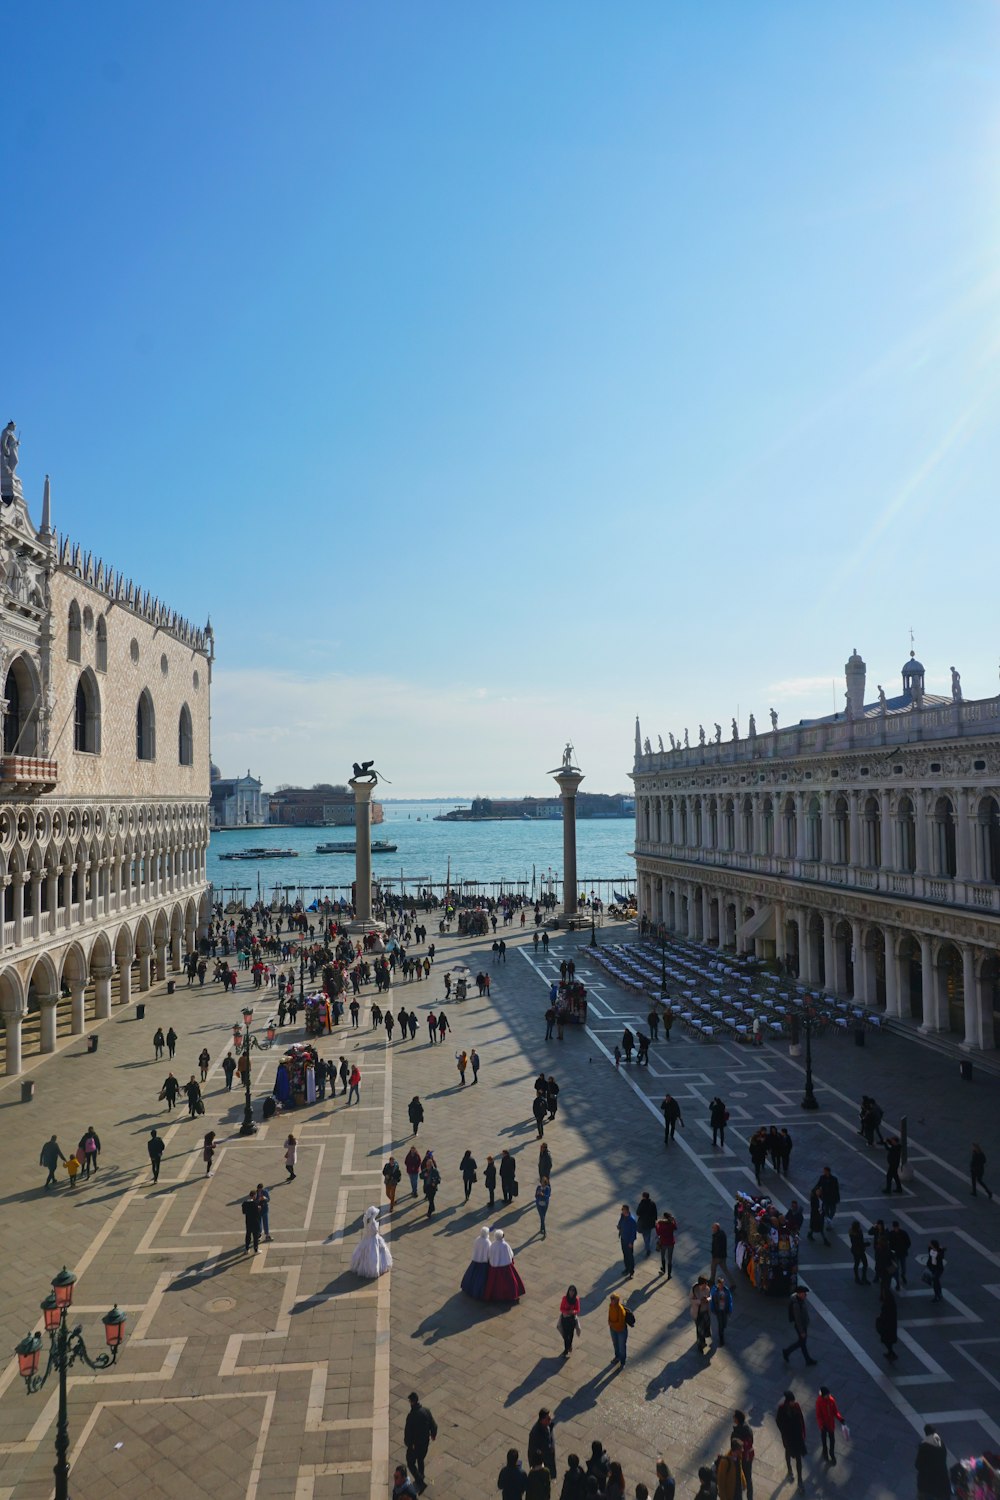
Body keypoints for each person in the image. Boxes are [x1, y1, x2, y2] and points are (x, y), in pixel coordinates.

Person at [404, 1392, 437, 1493]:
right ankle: (421, 1475)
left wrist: (408, 1444)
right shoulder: (426, 1411)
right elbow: (434, 1425)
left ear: (411, 1402)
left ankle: (419, 1480)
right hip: (425, 1443)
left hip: (415, 1445)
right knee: (420, 1459)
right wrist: (433, 1435)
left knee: (410, 1462)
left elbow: (408, 1433)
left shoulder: (411, 1416)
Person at [775, 1390, 807, 1491]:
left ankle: (800, 1480)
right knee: (788, 1453)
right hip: (788, 1438)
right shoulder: (781, 1409)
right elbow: (778, 1421)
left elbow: (801, 1419)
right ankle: (789, 1470)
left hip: (797, 1437)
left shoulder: (796, 1406)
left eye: (794, 1401)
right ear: (788, 1401)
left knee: (798, 1458)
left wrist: (803, 1432)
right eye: (792, 1401)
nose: (793, 1403)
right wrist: (783, 1433)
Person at [351, 1204, 392, 1278]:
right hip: (374, 1239)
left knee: (364, 1253)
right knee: (376, 1254)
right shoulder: (372, 1222)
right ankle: (378, 1269)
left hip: (367, 1238)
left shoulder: (366, 1221)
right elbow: (375, 1231)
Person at [485, 1229, 526, 1302]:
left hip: (495, 1267)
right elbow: (510, 1254)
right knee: (510, 1282)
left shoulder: (493, 1245)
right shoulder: (505, 1245)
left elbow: (489, 1255)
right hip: (506, 1267)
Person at [782, 1286, 817, 1365]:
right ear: (799, 1294)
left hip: (803, 1325)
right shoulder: (796, 1305)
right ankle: (787, 1352)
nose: (805, 1295)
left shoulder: (800, 1300)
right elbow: (797, 1319)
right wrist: (801, 1331)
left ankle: (787, 1352)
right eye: (804, 1293)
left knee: (802, 1343)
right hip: (800, 1327)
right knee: (802, 1343)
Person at [915, 1425, 951, 1500]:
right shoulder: (941, 1444)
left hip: (927, 1484)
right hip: (941, 1481)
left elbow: (918, 1464)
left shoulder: (924, 1446)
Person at [815, 1385, 845, 1463]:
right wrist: (821, 1425)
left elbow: (835, 1411)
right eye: (827, 1395)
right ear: (823, 1395)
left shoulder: (831, 1400)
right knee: (824, 1440)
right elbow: (818, 1416)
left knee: (832, 1440)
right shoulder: (819, 1402)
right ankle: (825, 1452)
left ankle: (831, 1453)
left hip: (831, 1424)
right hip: (824, 1426)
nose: (829, 1396)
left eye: (829, 1394)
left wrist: (840, 1418)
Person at [461, 1226, 493, 1300]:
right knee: (481, 1278)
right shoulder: (487, 1242)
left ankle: (468, 1287)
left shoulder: (477, 1239)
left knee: (472, 1274)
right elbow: (489, 1253)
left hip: (476, 1259)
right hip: (483, 1262)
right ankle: (478, 1292)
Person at [730, 1413, 754, 1500]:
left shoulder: (737, 1432)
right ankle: (750, 1498)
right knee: (748, 1478)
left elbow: (733, 1446)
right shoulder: (747, 1428)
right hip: (749, 1457)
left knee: (739, 1480)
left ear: (737, 1419)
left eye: (734, 1417)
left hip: (742, 1458)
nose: (733, 1419)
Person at [527, 1410, 556, 1481]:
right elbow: (532, 1448)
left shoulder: (548, 1425)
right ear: (542, 1420)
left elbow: (551, 1435)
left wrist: (551, 1445)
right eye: (548, 1419)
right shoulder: (535, 1432)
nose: (550, 1420)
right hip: (543, 1459)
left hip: (549, 1456)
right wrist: (541, 1453)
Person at [876, 1285, 898, 1361]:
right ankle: (890, 1352)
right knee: (888, 1340)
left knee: (887, 1339)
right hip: (889, 1325)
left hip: (887, 1325)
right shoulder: (890, 1303)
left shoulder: (888, 1304)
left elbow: (886, 1314)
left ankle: (891, 1352)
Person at [690, 1277, 711, 1353]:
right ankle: (700, 1346)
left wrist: (707, 1299)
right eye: (705, 1284)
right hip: (698, 1313)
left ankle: (703, 1341)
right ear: (701, 1284)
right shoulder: (694, 1289)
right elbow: (691, 1300)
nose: (706, 1285)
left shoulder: (707, 1289)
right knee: (699, 1331)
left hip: (705, 1311)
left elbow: (709, 1297)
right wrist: (699, 1301)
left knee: (705, 1327)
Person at [558, 1284, 581, 1357]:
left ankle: (569, 1346)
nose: (571, 1292)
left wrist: (573, 1312)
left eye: (573, 1290)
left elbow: (578, 1309)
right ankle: (566, 1349)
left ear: (575, 1292)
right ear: (568, 1291)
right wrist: (566, 1312)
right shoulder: (565, 1298)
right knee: (565, 1334)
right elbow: (561, 1308)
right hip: (565, 1319)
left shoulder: (576, 1299)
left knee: (571, 1334)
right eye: (570, 1290)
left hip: (571, 1319)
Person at [710, 1277, 733, 1348]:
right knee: (720, 1324)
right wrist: (713, 1309)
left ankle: (722, 1331)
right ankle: (721, 1339)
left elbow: (730, 1300)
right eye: (720, 1284)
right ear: (718, 1284)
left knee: (724, 1323)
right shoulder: (714, 1291)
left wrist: (730, 1309)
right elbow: (712, 1301)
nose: (722, 1285)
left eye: (723, 1284)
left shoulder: (726, 1290)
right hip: (719, 1311)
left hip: (725, 1310)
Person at [617, 1204, 638, 1277]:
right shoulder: (622, 1216)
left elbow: (633, 1233)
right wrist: (619, 1227)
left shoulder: (631, 1220)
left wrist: (631, 1242)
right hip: (623, 1238)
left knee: (630, 1256)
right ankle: (627, 1268)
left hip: (628, 1241)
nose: (622, 1211)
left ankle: (631, 1271)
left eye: (623, 1209)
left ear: (626, 1210)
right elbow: (620, 1223)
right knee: (625, 1255)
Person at [889, 1220, 911, 1287]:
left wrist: (904, 1248)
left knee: (903, 1267)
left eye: (896, 1227)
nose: (896, 1229)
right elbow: (889, 1244)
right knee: (896, 1268)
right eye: (895, 1227)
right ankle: (897, 1282)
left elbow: (908, 1242)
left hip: (902, 1253)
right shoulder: (891, 1234)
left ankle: (903, 1275)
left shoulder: (903, 1233)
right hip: (895, 1254)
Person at [655, 1210, 677, 1278]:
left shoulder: (661, 1224)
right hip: (671, 1243)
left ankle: (663, 1269)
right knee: (670, 1259)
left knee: (663, 1256)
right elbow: (675, 1228)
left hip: (663, 1242)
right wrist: (674, 1220)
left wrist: (656, 1225)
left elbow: (658, 1233)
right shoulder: (671, 1224)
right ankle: (669, 1275)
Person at [636, 1191, 657, 1258]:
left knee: (645, 1236)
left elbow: (638, 1212)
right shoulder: (652, 1203)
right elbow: (655, 1213)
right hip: (650, 1223)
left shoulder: (642, 1204)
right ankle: (647, 1246)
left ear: (644, 1197)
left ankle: (647, 1248)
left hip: (643, 1223)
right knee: (648, 1235)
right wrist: (654, 1220)